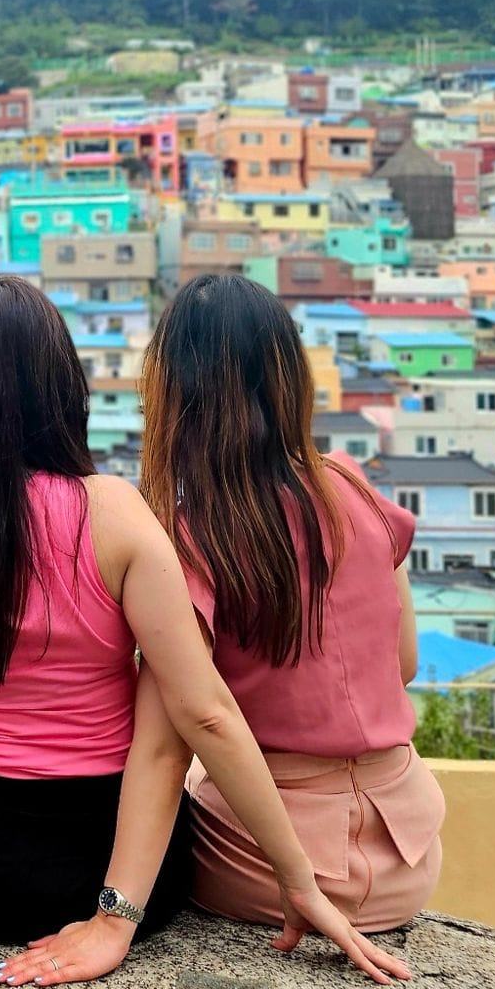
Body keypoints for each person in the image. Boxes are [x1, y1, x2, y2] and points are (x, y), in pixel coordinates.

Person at [0, 275, 413, 989]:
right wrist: (296, 880)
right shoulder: (117, 512)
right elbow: (204, 712)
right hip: (120, 865)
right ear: (63, 385)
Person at [139, 273, 444, 932]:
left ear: (173, 395)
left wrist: (115, 912)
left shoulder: (190, 542)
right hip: (408, 859)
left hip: (267, 867)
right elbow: (405, 664)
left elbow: (170, 743)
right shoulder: (353, 489)